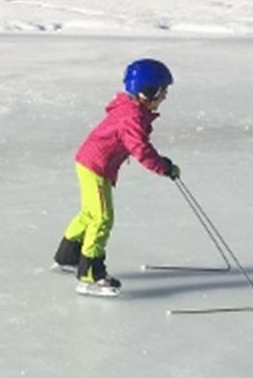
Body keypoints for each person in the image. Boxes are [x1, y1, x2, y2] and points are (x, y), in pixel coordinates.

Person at [54, 59, 180, 297]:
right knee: (102, 218)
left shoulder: (130, 109)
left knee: (89, 213)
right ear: (148, 92)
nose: (164, 97)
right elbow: (141, 149)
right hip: (96, 168)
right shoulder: (132, 118)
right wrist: (164, 167)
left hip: (89, 162)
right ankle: (90, 275)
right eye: (162, 92)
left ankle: (67, 256)